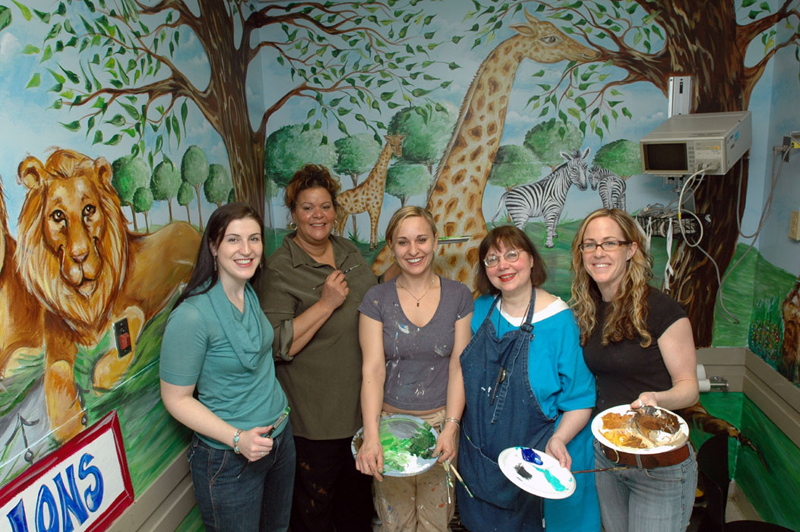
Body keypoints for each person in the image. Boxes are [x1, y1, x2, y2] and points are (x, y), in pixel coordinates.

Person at [456, 225, 599, 532]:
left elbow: (580, 400)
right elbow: (460, 373)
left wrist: (559, 439)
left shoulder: (559, 321)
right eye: (492, 259)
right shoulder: (480, 310)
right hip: (476, 458)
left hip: (530, 464)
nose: (502, 265)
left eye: (511, 254)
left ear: (532, 260)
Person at [160, 203, 293, 532]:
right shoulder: (192, 316)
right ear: (214, 246)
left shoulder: (248, 292)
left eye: (255, 239)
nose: (247, 250)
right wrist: (237, 439)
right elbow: (176, 398)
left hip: (279, 442)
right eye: (234, 240)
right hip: (230, 460)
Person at [258, 164, 376, 532]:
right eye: (307, 207)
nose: (317, 215)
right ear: (293, 213)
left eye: (325, 206)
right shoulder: (279, 269)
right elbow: (277, 344)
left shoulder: (349, 251)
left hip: (362, 414)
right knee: (314, 516)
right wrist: (325, 304)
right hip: (315, 424)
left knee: (356, 511)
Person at [571, 208, 699, 532]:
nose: (598, 252)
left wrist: (656, 398)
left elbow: (688, 387)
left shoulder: (663, 310)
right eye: (589, 244)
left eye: (609, 243)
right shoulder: (588, 309)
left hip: (659, 465)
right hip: (607, 459)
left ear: (631, 250)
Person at [356, 206, 473, 532]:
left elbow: (458, 367)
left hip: (440, 427)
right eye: (403, 242)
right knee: (395, 524)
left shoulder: (458, 296)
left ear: (435, 241)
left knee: (437, 523)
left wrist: (451, 426)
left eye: (421, 239)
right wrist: (372, 434)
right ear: (391, 246)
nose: (413, 250)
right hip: (390, 427)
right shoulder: (376, 299)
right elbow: (372, 371)